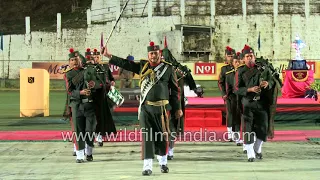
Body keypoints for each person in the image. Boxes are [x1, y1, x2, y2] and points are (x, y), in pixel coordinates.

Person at [102, 41, 183, 176]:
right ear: (148, 54)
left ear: (159, 54)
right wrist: (109, 55)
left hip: (162, 109)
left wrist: (177, 108)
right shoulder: (143, 66)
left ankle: (163, 162)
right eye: (151, 53)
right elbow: (125, 64)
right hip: (146, 109)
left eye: (155, 53)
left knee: (162, 137)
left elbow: (175, 91)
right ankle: (147, 166)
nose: (153, 56)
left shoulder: (168, 69)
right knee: (147, 137)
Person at [234, 44, 275, 162]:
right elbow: (236, 89)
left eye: (251, 56)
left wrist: (267, 84)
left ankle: (257, 147)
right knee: (247, 128)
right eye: (247, 56)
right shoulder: (240, 71)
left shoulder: (263, 68)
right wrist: (249, 90)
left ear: (254, 56)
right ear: (243, 58)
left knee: (263, 127)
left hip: (261, 103)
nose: (250, 58)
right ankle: (250, 152)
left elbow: (272, 81)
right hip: (247, 103)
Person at [65, 48, 96, 163]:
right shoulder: (68, 74)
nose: (75, 61)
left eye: (77, 59)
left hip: (89, 105)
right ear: (69, 62)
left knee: (90, 130)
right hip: (77, 105)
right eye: (72, 59)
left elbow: (96, 83)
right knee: (79, 131)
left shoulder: (88, 70)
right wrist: (81, 93)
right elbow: (70, 91)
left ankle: (89, 152)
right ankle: (80, 155)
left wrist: (93, 84)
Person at [84, 48, 117, 147]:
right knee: (93, 117)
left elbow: (111, 79)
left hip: (103, 95)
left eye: (98, 57)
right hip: (92, 95)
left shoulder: (105, 67)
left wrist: (112, 83)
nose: (96, 59)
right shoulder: (89, 68)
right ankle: (90, 137)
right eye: (94, 57)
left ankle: (100, 136)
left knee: (102, 117)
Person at [218, 46, 236, 141]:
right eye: (229, 56)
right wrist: (223, 93)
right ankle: (230, 134)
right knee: (230, 113)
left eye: (232, 56)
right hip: (229, 95)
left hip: (239, 94)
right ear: (225, 56)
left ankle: (237, 133)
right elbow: (220, 82)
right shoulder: (224, 69)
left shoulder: (239, 67)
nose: (231, 58)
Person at [225, 52, 242, 146]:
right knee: (235, 118)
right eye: (236, 62)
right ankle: (237, 137)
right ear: (233, 63)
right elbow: (228, 90)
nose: (237, 63)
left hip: (244, 99)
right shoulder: (229, 75)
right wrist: (230, 99)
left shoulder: (244, 72)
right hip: (234, 99)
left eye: (238, 62)